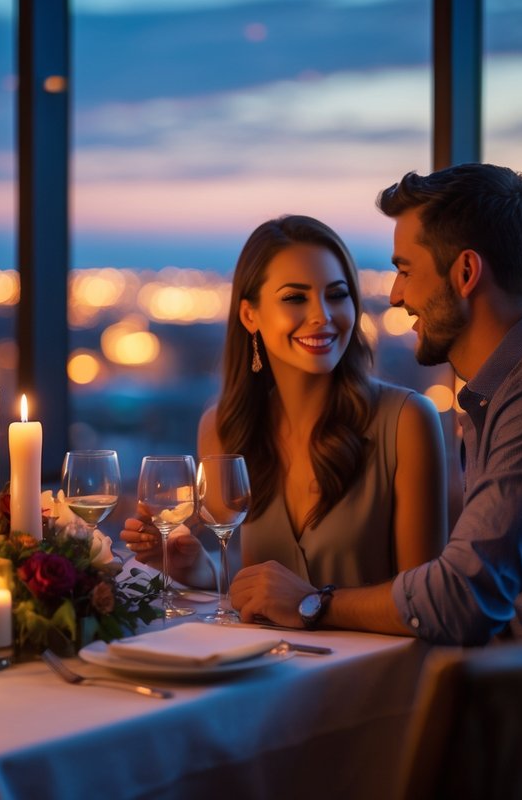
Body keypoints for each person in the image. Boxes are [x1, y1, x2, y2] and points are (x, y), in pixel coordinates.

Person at [230, 164, 522, 644]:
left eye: (405, 270)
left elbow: (461, 599)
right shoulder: (517, 389)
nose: (396, 296)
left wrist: (312, 603)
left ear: (465, 273)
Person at [121, 214, 448, 590]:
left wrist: (309, 605)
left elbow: (425, 604)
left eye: (337, 295)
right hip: (262, 652)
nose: (322, 316)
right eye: (295, 297)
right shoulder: (223, 429)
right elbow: (244, 592)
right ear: (250, 315)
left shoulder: (407, 421)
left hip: (381, 652)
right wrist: (195, 570)